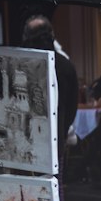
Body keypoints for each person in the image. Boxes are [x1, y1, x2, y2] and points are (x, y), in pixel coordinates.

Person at [20, 14, 79, 170]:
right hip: (56, 138)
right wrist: (63, 130)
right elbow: (72, 107)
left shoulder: (21, 64)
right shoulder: (66, 65)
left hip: (26, 141)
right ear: (52, 35)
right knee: (53, 187)